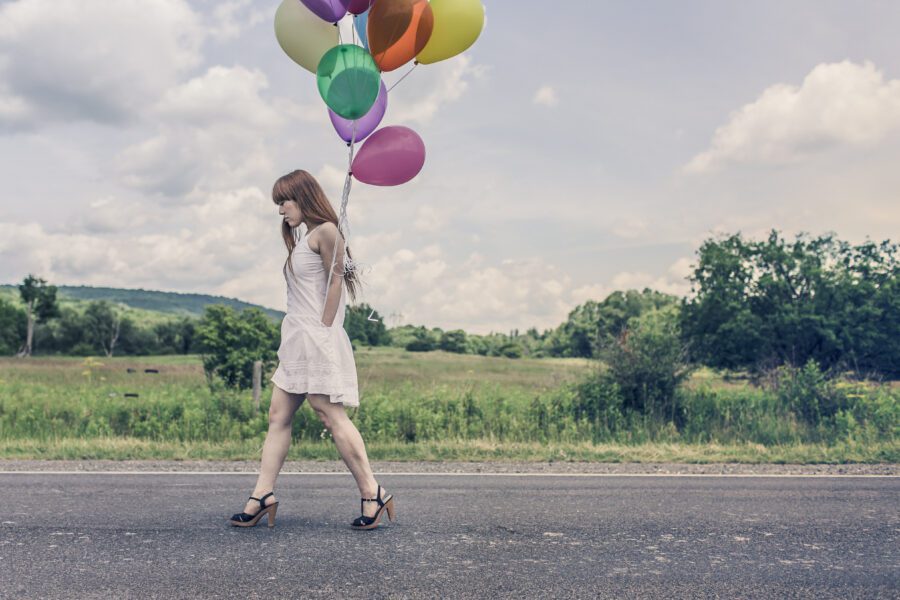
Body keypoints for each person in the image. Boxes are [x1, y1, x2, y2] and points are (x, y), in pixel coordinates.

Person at [229, 169, 395, 530]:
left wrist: (323, 330)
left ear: (303, 197)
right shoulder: (304, 238)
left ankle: (373, 491)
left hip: (317, 337)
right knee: (277, 416)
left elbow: (336, 281)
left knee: (328, 413)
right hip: (297, 340)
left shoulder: (326, 232)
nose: (280, 211)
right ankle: (262, 495)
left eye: (284, 201)